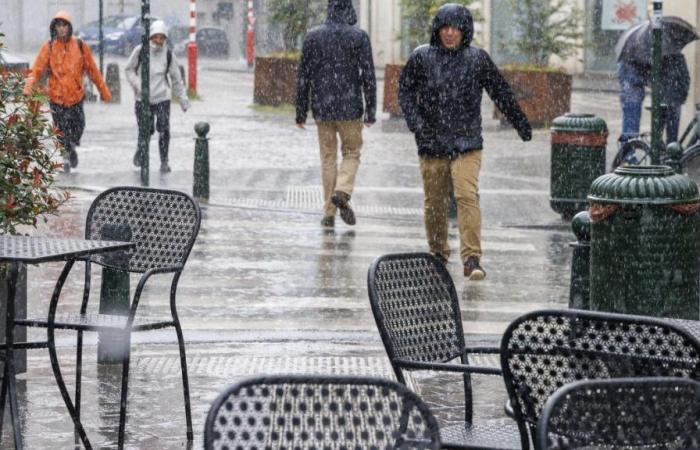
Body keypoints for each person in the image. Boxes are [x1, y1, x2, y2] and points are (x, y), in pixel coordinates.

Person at [399, 3, 531, 280]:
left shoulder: (476, 59)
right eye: (445, 28)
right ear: (437, 30)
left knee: (466, 196)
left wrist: (520, 123)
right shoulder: (421, 57)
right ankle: (438, 253)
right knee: (434, 202)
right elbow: (406, 94)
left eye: (455, 29)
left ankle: (471, 258)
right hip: (432, 142)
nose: (450, 34)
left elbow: (501, 92)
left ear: (464, 31)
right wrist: (418, 127)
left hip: (467, 142)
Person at [296, 0, 376, 228]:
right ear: (349, 10)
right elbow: (368, 76)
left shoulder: (313, 36)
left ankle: (329, 212)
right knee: (352, 152)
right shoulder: (359, 37)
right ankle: (342, 190)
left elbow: (304, 76)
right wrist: (370, 111)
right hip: (350, 107)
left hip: (323, 107)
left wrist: (301, 112)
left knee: (328, 158)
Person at [23, 10, 112, 173]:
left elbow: (93, 70)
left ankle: (71, 147)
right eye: (59, 25)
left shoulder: (80, 46)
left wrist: (104, 91)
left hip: (76, 97)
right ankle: (66, 157)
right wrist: (28, 87)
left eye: (64, 25)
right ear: (54, 28)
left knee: (79, 126)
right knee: (60, 131)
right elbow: (36, 70)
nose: (62, 28)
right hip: (56, 98)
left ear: (69, 27)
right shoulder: (48, 47)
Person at [125, 20, 190, 173]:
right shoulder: (140, 51)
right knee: (145, 129)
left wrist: (183, 99)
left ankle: (164, 161)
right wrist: (139, 86)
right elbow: (129, 70)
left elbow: (176, 78)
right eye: (156, 37)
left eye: (162, 38)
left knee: (164, 129)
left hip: (162, 98)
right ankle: (141, 151)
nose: (159, 41)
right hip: (143, 99)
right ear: (151, 37)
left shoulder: (168, 54)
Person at [617, 44, 690, 145]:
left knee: (641, 128)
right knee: (668, 134)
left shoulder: (654, 56)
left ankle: (632, 151)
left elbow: (649, 77)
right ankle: (631, 152)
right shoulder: (669, 57)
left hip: (661, 99)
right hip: (665, 99)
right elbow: (685, 79)